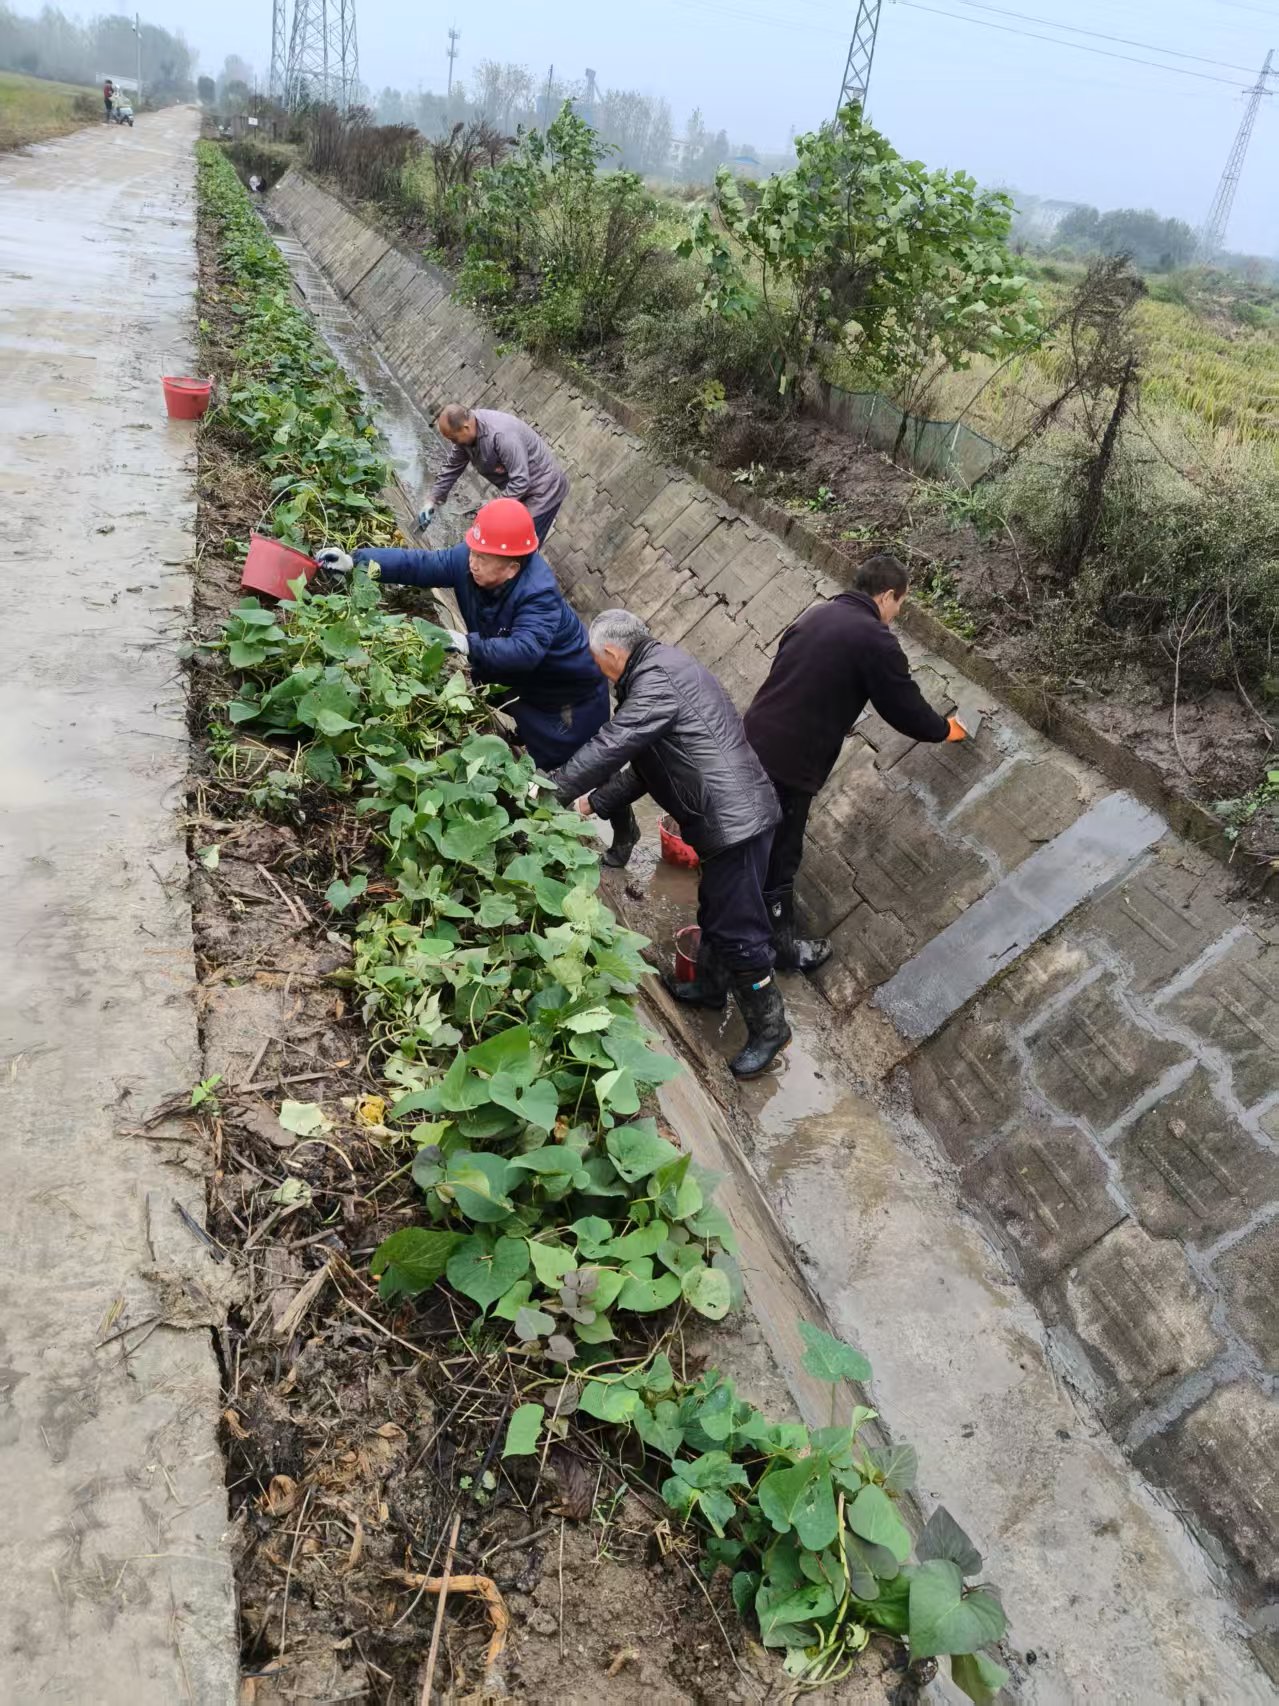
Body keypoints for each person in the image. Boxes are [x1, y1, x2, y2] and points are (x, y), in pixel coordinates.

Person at [550, 609, 790, 1080]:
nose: (596, 666)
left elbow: (613, 744)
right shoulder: (662, 669)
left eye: (596, 658)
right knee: (717, 910)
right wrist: (588, 804)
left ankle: (771, 1028)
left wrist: (551, 790)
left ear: (612, 653)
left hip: (735, 822)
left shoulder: (656, 682)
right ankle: (710, 989)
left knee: (739, 931)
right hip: (730, 816)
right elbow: (647, 768)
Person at [744, 553, 968, 973]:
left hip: (752, 739)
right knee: (782, 855)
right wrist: (944, 729)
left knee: (746, 837)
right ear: (886, 596)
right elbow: (903, 706)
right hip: (791, 762)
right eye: (900, 603)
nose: (898, 614)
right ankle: (779, 950)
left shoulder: (817, 614)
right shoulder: (875, 639)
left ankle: (736, 922)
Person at [314, 497, 627, 793]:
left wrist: (467, 644)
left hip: (569, 697)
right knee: (526, 737)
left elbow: (525, 650)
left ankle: (614, 818)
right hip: (525, 684)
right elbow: (420, 564)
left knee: (584, 769)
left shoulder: (538, 594)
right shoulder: (471, 558)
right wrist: (357, 561)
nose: (472, 563)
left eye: (482, 559)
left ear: (512, 568)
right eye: (473, 552)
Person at [417, 406, 569, 546]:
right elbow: (452, 468)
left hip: (543, 490)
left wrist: (492, 510)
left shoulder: (502, 435)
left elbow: (520, 481)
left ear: (466, 428)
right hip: (520, 488)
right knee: (503, 538)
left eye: (454, 439)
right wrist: (432, 500)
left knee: (521, 544)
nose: (454, 443)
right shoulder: (465, 438)